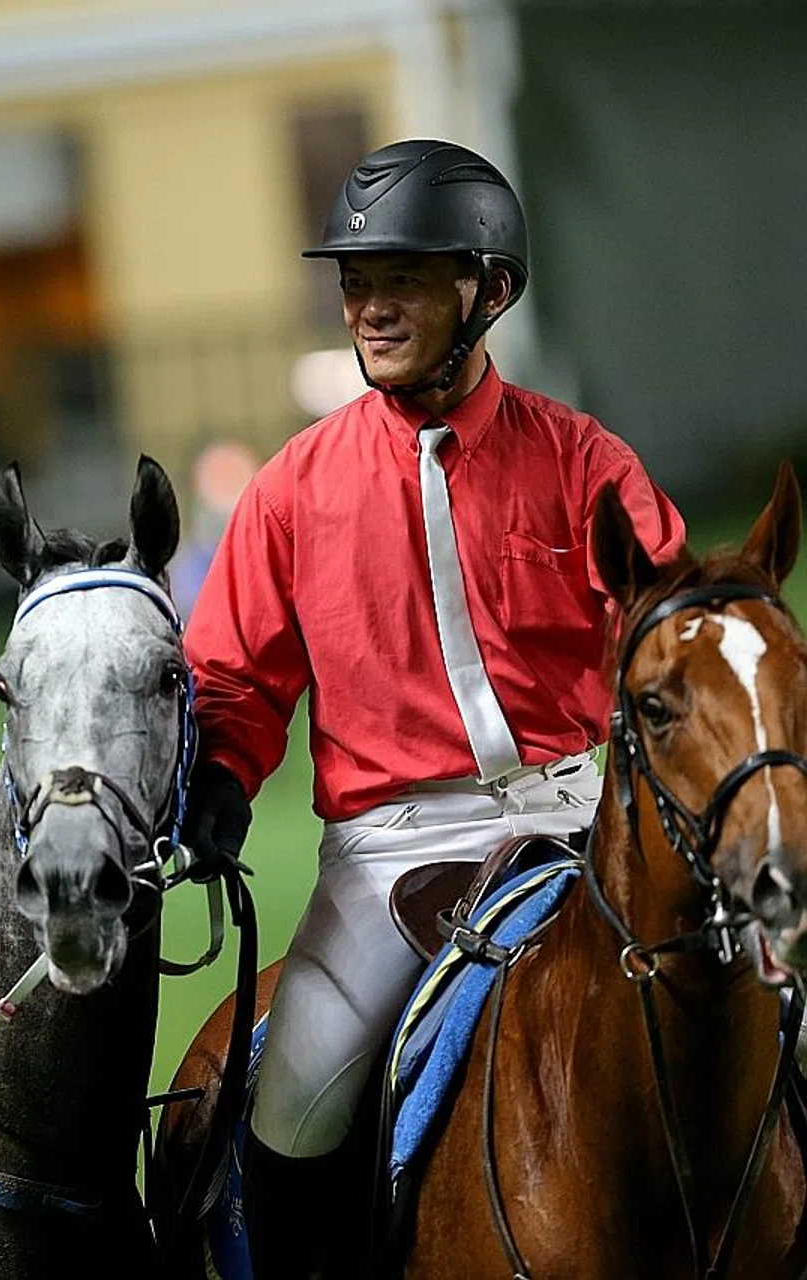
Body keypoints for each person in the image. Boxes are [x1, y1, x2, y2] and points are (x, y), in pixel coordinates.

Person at [178, 139, 685, 1276]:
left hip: (587, 816)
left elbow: (672, 642)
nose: (369, 306)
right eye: (356, 281)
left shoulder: (585, 459)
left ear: (488, 289)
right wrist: (215, 777)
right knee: (292, 1101)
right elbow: (234, 679)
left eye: (401, 277)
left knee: (752, 1008)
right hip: (389, 854)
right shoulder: (291, 489)